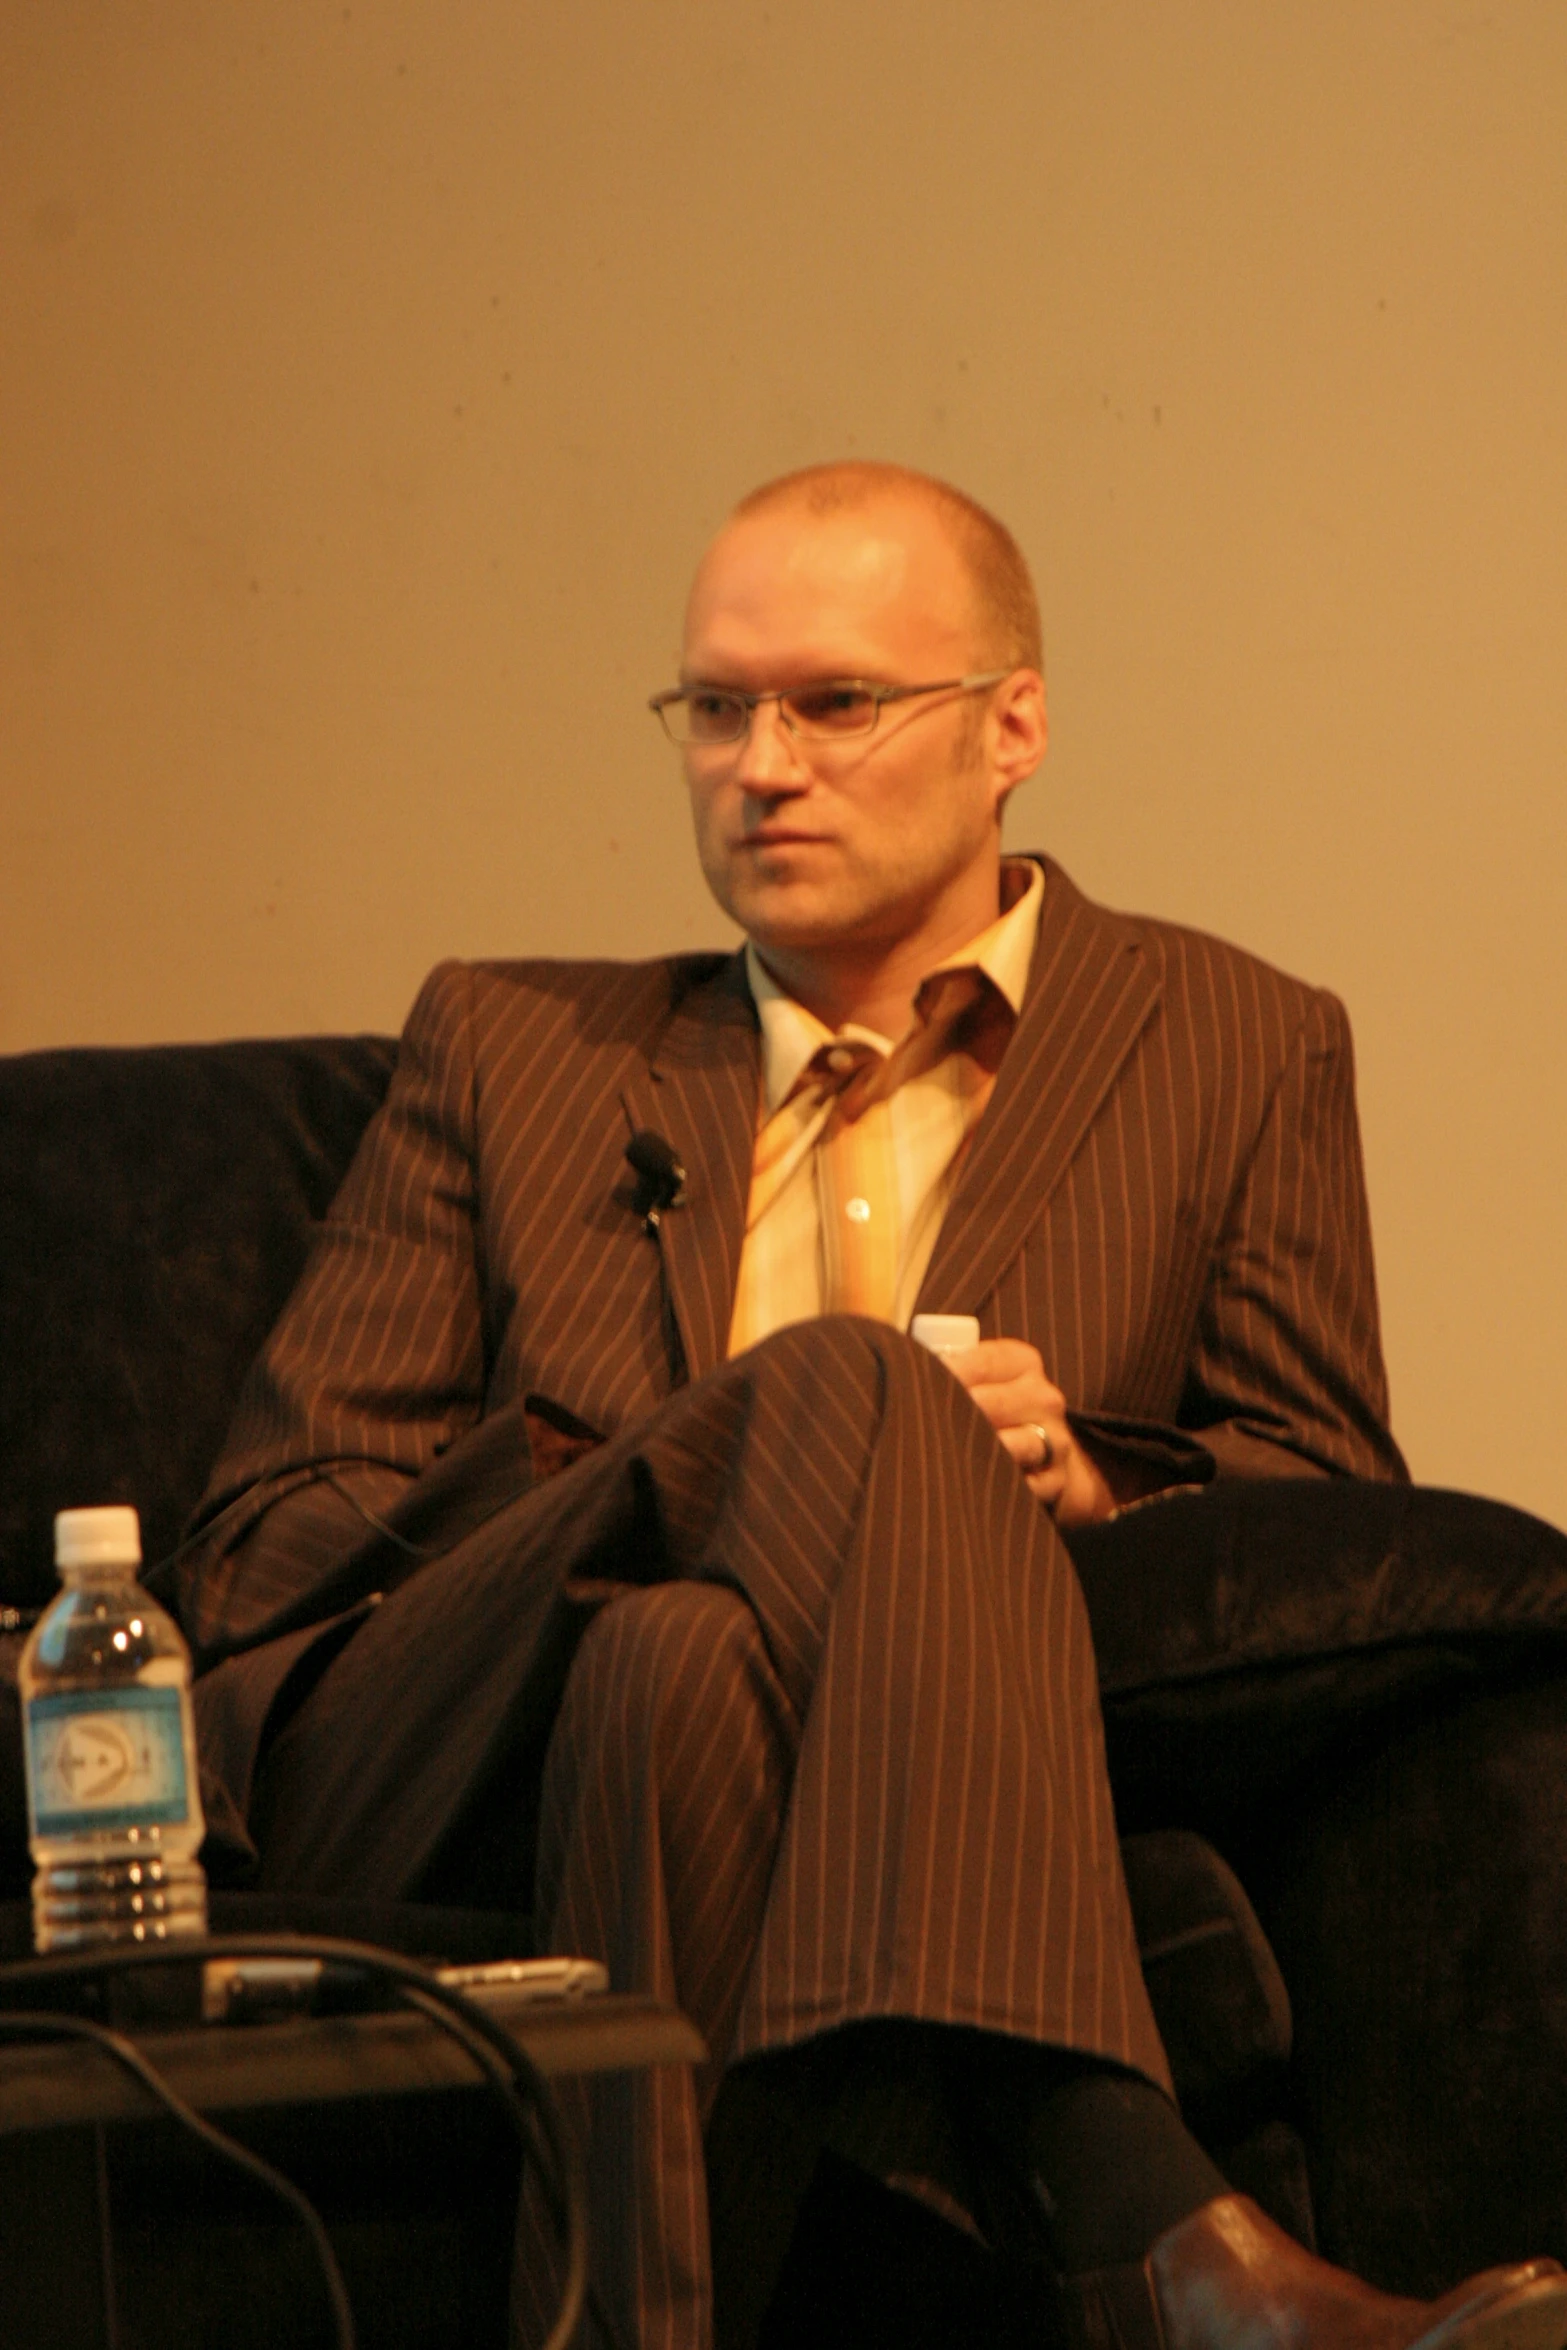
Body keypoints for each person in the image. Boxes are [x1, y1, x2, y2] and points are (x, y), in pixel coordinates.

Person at [169, 463, 1567, 2350]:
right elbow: (273, 1538)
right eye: (717, 707)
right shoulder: (512, 1040)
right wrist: (681, 1470)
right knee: (852, 1390)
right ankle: (1166, 2237)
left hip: (721, 1738)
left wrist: (1073, 1481)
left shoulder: (1233, 1039)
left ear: (1013, 728)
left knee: (681, 1672)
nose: (761, 763)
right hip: (432, 1737)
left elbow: (1322, 1498)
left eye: (834, 702)